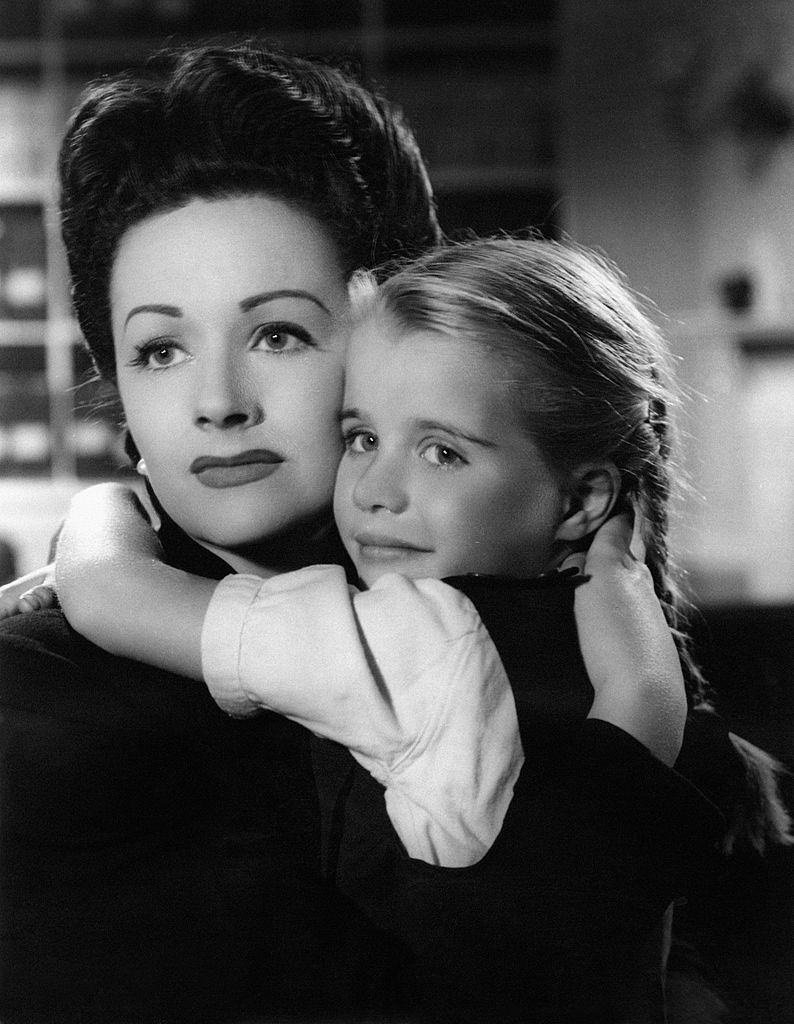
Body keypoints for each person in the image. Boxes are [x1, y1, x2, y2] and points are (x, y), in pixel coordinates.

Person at [26, 239, 788, 1021]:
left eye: (442, 452)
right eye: (361, 438)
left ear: (582, 500)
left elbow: (112, 592)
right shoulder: (603, 649)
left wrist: (107, 507)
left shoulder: (422, 639)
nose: (377, 490)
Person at [0, 40, 443, 1024]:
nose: (216, 401)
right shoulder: (37, 700)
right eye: (159, 349)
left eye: (275, 333)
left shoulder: (503, 627)